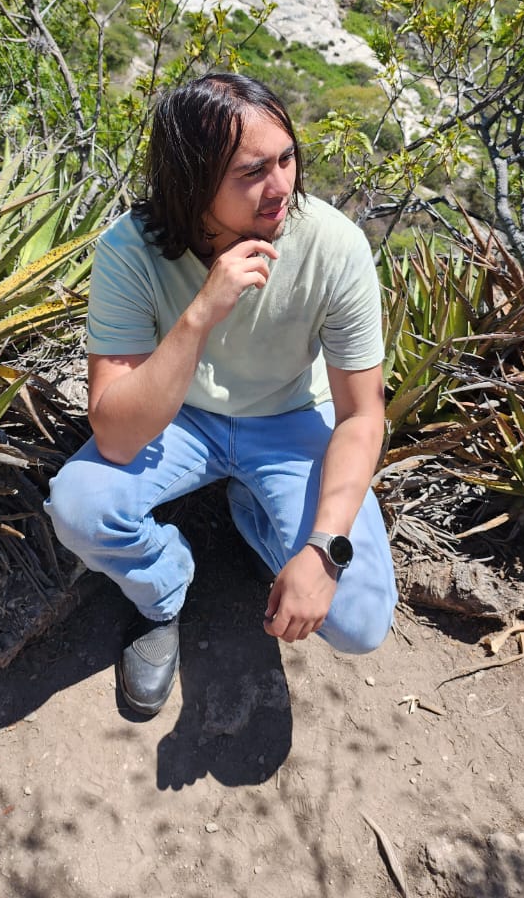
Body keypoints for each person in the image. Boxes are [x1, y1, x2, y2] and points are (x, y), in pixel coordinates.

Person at [46, 73, 397, 716]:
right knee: (78, 507)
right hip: (181, 417)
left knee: (360, 619)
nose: (282, 185)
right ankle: (163, 593)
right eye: (253, 171)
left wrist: (323, 551)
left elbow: (361, 414)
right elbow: (118, 433)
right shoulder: (130, 250)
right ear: (192, 182)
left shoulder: (333, 246)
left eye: (287, 158)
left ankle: (257, 514)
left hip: (292, 417)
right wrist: (202, 312)